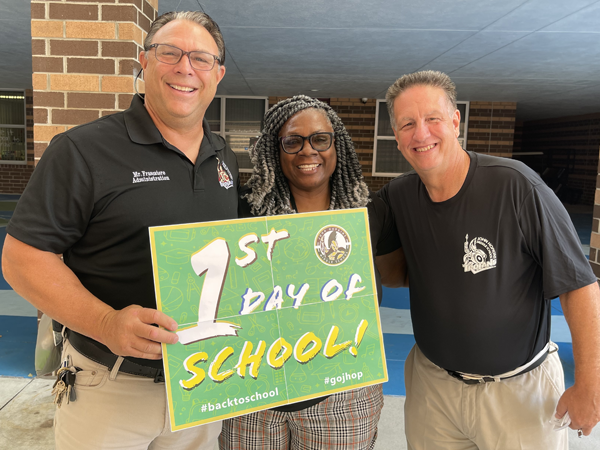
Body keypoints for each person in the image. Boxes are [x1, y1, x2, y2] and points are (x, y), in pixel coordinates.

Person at [1, 11, 237, 450]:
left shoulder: (224, 157)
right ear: (144, 63)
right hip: (109, 383)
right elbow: (21, 259)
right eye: (170, 53)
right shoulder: (82, 150)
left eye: (201, 58)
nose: (185, 68)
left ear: (218, 74)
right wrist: (106, 322)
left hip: (202, 382)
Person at [377, 70, 600, 449]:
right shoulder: (396, 199)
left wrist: (590, 385)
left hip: (518, 390)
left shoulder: (517, 187)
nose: (421, 133)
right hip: (433, 386)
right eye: (407, 124)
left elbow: (579, 285)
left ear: (455, 121)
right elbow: (394, 275)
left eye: (432, 119)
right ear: (397, 139)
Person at [219, 95, 391, 450]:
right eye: (292, 141)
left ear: (336, 144)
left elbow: (392, 276)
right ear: (274, 150)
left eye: (320, 139)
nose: (307, 151)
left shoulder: (369, 213)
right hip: (255, 390)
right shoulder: (242, 212)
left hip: (342, 394)